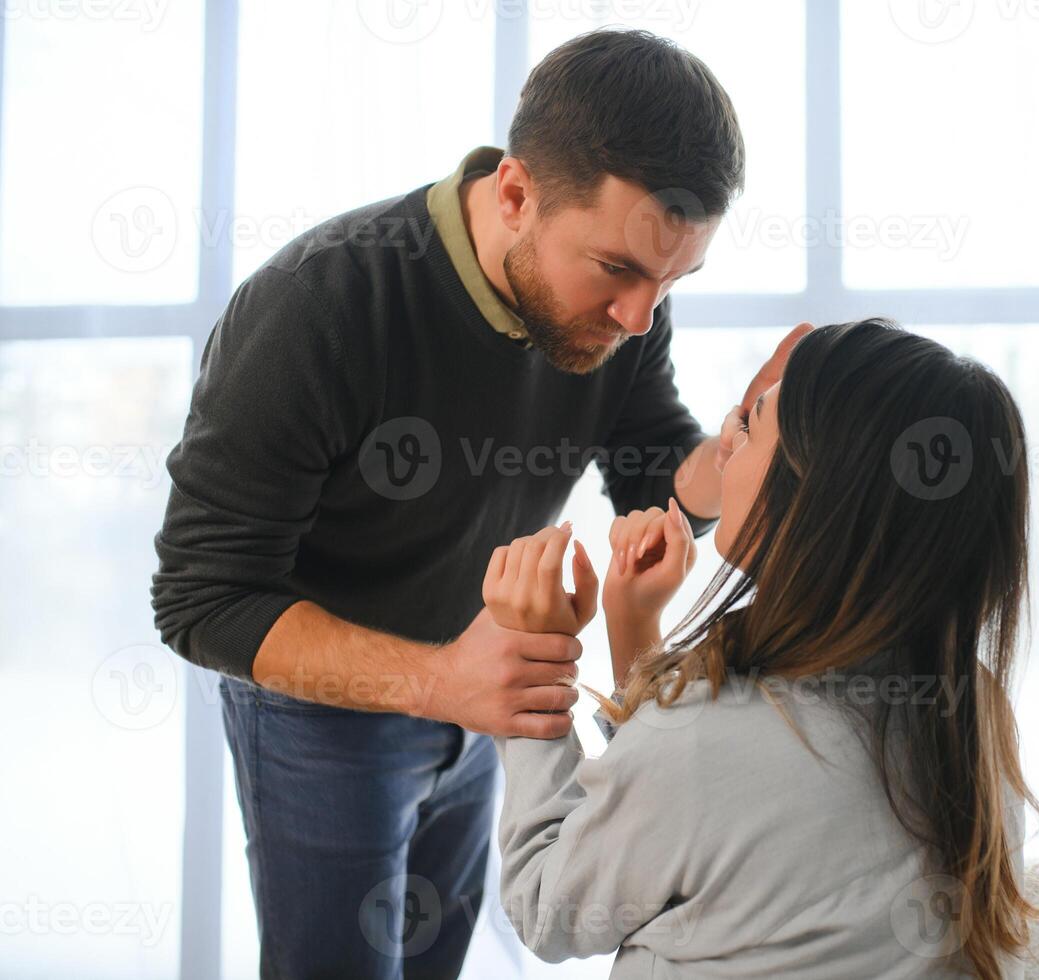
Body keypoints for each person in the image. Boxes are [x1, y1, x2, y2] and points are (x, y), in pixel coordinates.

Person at [149, 27, 801, 978]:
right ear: (513, 193)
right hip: (324, 713)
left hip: (484, 687)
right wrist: (438, 683)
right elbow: (200, 599)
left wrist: (732, 450)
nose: (640, 318)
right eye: (618, 271)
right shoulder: (314, 307)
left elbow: (650, 468)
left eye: (672, 281)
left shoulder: (628, 302)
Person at [486, 319, 1039, 979]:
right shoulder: (968, 708)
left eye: (750, 426)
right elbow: (697, 816)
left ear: (812, 494)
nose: (724, 441)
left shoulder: (710, 744)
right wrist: (632, 620)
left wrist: (533, 663)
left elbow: (549, 909)